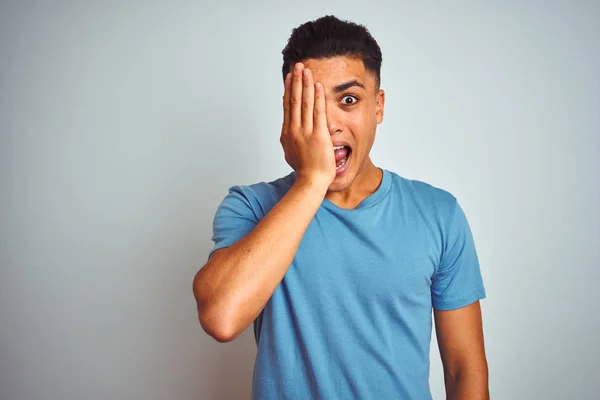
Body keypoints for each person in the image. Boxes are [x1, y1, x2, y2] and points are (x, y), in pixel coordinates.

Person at [193, 15, 489, 400]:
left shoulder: (439, 214)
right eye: (312, 104)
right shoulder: (249, 206)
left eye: (348, 100)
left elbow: (464, 368)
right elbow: (221, 317)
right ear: (289, 111)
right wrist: (311, 181)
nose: (330, 123)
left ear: (378, 106)